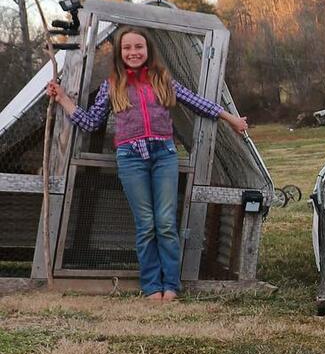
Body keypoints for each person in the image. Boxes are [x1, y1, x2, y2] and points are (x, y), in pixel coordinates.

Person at [46, 27, 249, 301]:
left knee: (165, 222)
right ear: (119, 53)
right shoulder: (112, 84)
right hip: (130, 158)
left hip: (163, 155)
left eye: (138, 47)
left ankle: (171, 286)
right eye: (127, 48)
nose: (133, 52)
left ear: (147, 50)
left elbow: (198, 103)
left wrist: (231, 119)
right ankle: (152, 286)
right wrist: (63, 99)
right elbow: (91, 121)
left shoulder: (162, 80)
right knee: (146, 224)